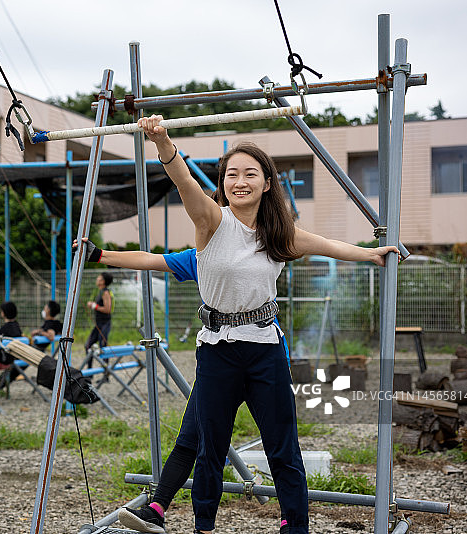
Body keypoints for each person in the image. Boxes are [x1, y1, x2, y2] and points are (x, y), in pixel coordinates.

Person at [137, 115, 398, 534]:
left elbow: (330, 246)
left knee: (282, 447)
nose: (240, 181)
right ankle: (203, 526)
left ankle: (295, 525)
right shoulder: (212, 221)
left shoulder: (279, 233)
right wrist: (163, 142)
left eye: (250, 173)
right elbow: (184, 181)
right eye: (231, 175)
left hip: (264, 351)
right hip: (217, 350)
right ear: (222, 184)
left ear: (267, 183)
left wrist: (371, 254)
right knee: (210, 448)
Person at [78, 238, 288, 534]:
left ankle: (290, 519)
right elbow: (150, 260)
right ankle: (157, 509)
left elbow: (319, 244)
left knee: (279, 445)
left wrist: (369, 252)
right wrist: (99, 255)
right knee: (190, 438)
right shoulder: (202, 256)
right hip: (219, 360)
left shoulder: (267, 243)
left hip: (261, 358)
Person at [83, 272, 113, 367]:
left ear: (103, 281)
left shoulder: (105, 293)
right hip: (98, 324)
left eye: (99, 278)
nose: (97, 279)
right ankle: (90, 373)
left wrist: (94, 306)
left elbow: (107, 309)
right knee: (88, 345)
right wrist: (94, 305)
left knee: (103, 347)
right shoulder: (100, 292)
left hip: (105, 323)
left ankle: (106, 374)